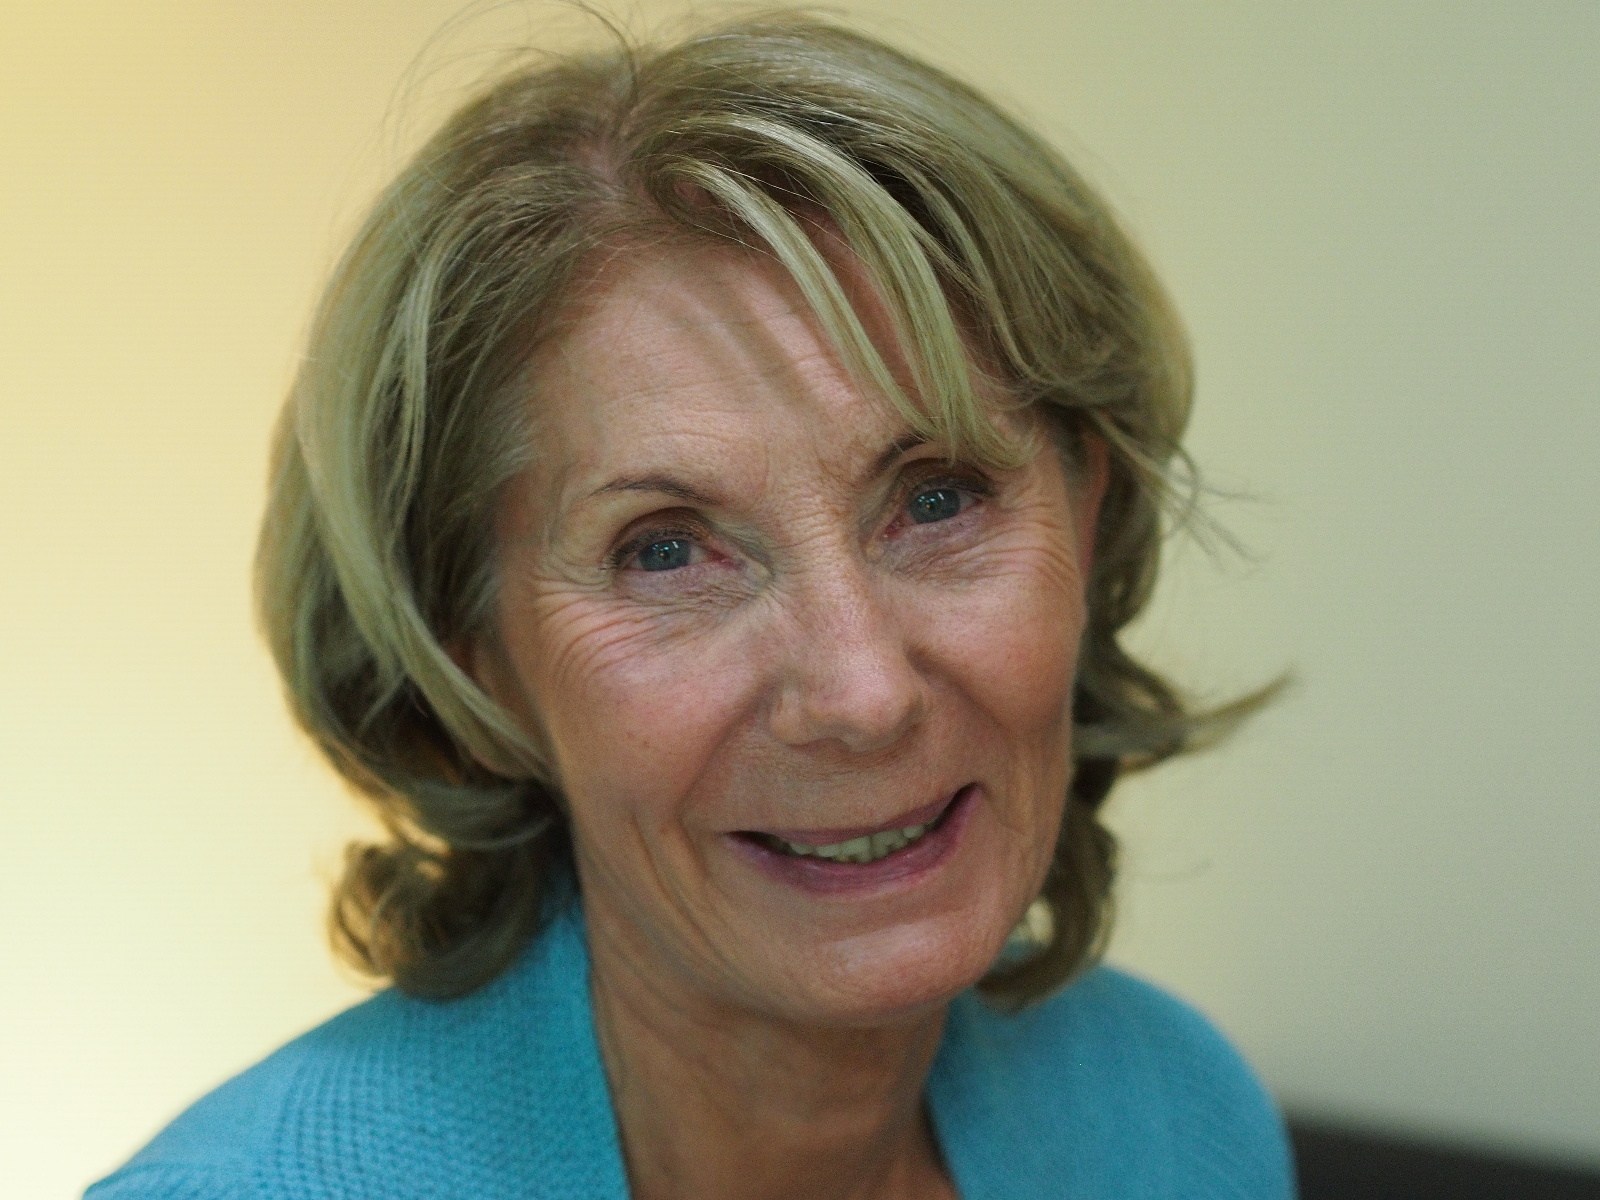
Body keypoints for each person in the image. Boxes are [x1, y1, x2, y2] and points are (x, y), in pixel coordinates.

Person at [89, 11, 1293, 1199]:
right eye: (664, 551)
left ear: (1086, 512)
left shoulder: (1174, 1120)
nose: (862, 694)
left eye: (937, 499)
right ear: (472, 673)